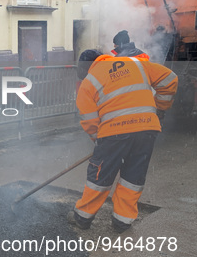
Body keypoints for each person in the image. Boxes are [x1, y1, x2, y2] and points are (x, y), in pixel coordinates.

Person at [68, 49, 178, 232]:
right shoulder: (135, 63)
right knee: (133, 177)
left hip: (113, 133)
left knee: (99, 177)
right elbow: (170, 78)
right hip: (147, 129)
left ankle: (82, 217)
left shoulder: (89, 82)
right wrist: (160, 107)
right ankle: (122, 221)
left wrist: (98, 140)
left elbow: (89, 120)